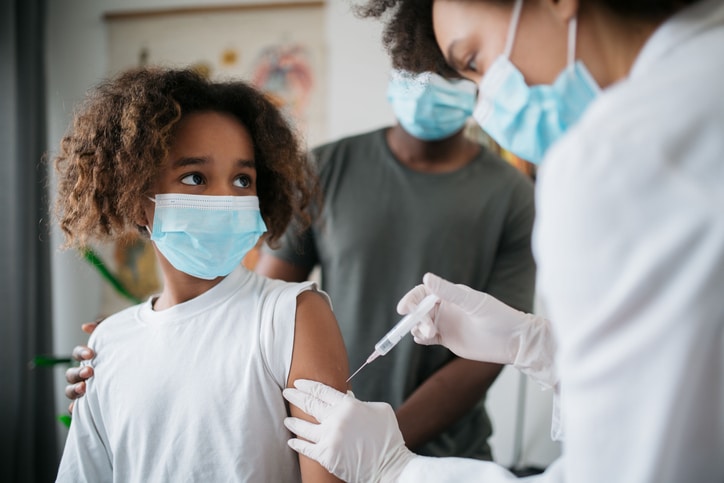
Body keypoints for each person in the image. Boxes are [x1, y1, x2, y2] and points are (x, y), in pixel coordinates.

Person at [279, 0, 724, 482]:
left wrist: (396, 468)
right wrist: (538, 347)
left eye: (473, 62)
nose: (486, 99)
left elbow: (627, 467)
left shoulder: (603, 160)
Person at [53, 67, 348, 482]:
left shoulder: (292, 316)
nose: (227, 199)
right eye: (195, 177)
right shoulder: (109, 343)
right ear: (138, 199)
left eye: (243, 180)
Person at [254, 68, 537, 460]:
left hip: (447, 460)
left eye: (445, 70)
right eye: (413, 68)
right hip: (330, 451)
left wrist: (381, 442)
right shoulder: (324, 168)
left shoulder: (513, 196)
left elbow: (494, 348)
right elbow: (266, 313)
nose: (427, 84)